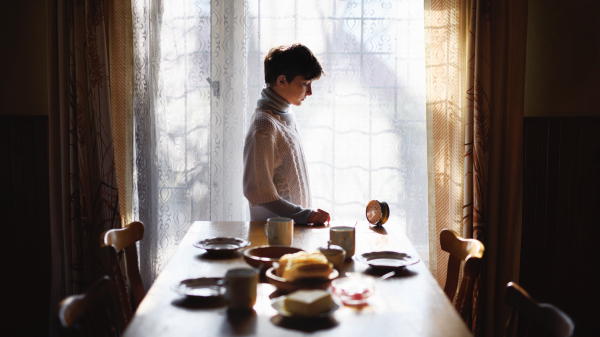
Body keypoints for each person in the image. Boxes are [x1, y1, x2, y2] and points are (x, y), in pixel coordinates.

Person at [243, 43, 330, 226]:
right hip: (270, 238)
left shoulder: (286, 117)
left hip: (292, 231)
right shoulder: (264, 126)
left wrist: (305, 215)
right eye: (306, 84)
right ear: (282, 81)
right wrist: (303, 214)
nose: (310, 92)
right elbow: (258, 191)